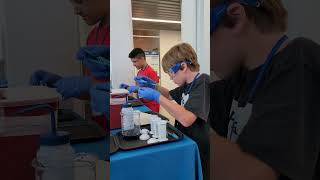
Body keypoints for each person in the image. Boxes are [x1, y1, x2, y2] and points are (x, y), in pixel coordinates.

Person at [209, 0, 319, 179]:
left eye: (206, 37)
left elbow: (257, 174)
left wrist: (194, 128)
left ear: (236, 18)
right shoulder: (238, 79)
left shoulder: (300, 61)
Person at [135, 43, 211, 179]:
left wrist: (155, 96)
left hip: (200, 148)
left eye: (170, 73)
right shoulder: (186, 84)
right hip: (188, 140)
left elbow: (187, 119)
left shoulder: (203, 82)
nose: (170, 77)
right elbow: (169, 95)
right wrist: (153, 86)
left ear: (183, 66)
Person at [30, 0, 110, 129]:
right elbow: (92, 91)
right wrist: (59, 83)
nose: (76, 11)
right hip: (103, 126)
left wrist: (87, 84)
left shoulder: (123, 32)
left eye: (80, 1)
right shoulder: (93, 36)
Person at [120, 48, 160, 112]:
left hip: (151, 106)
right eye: (132, 62)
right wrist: (127, 87)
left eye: (135, 61)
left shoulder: (151, 72)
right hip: (142, 104)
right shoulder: (139, 72)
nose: (133, 64)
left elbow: (153, 92)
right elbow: (139, 89)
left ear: (142, 58)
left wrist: (137, 89)